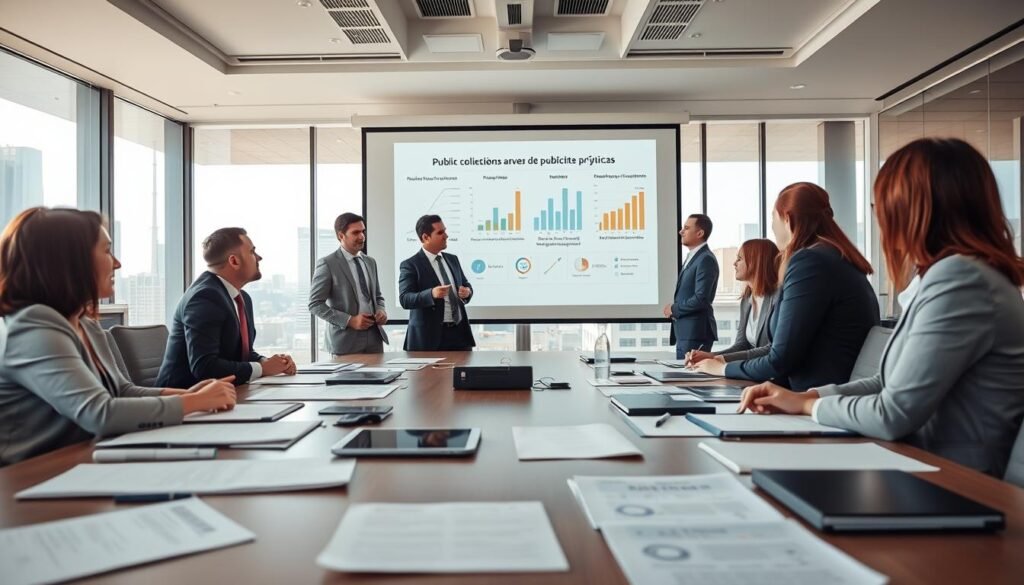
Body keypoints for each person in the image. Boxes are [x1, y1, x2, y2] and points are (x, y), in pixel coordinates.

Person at [736, 138, 1024, 477]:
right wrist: (807, 397)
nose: (879, 217)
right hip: (919, 467)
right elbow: (886, 383)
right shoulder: (954, 275)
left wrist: (809, 406)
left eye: (882, 204)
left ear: (915, 209)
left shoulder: (962, 281)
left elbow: (893, 413)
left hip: (951, 482)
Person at [0, 207, 236, 466]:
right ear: (70, 261)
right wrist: (195, 402)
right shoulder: (33, 327)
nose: (117, 263)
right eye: (106, 251)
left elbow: (122, 391)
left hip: (86, 460)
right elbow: (99, 413)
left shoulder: (85, 322)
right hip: (33, 475)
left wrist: (186, 395)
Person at [696, 182, 878, 390]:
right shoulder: (835, 257)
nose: (773, 228)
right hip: (823, 392)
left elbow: (779, 360)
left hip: (812, 395)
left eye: (773, 219)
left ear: (787, 220)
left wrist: (721, 368)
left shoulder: (810, 262)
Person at [156, 227, 295, 387]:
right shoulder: (205, 297)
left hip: (224, 393)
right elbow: (205, 367)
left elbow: (241, 354)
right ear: (234, 261)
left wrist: (270, 362)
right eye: (252, 252)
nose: (259, 257)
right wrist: (262, 369)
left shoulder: (242, 298)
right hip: (184, 397)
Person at [687, 239, 780, 366]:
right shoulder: (747, 299)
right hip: (753, 368)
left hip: (771, 371)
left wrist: (716, 358)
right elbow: (741, 345)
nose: (734, 263)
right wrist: (709, 356)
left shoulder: (777, 297)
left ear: (756, 262)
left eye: (739, 259)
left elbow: (772, 349)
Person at [309, 213, 389, 355]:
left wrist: (381, 310)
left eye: (363, 231)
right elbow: (315, 304)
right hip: (345, 341)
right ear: (341, 236)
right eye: (356, 232)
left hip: (374, 339)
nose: (362, 236)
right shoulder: (328, 264)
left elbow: (377, 296)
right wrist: (349, 321)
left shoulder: (370, 262)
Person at [399, 214, 475, 351]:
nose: (446, 236)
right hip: (429, 339)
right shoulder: (410, 265)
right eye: (440, 233)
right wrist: (431, 294)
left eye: (445, 231)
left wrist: (467, 292)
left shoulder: (453, 259)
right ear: (425, 237)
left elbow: (466, 284)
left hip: (460, 335)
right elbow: (405, 299)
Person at [664, 214, 719, 359]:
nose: (681, 231)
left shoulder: (705, 259)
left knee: (691, 372)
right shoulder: (695, 257)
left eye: (686, 228)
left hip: (695, 333)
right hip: (687, 333)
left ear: (700, 233)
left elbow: (701, 299)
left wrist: (674, 309)